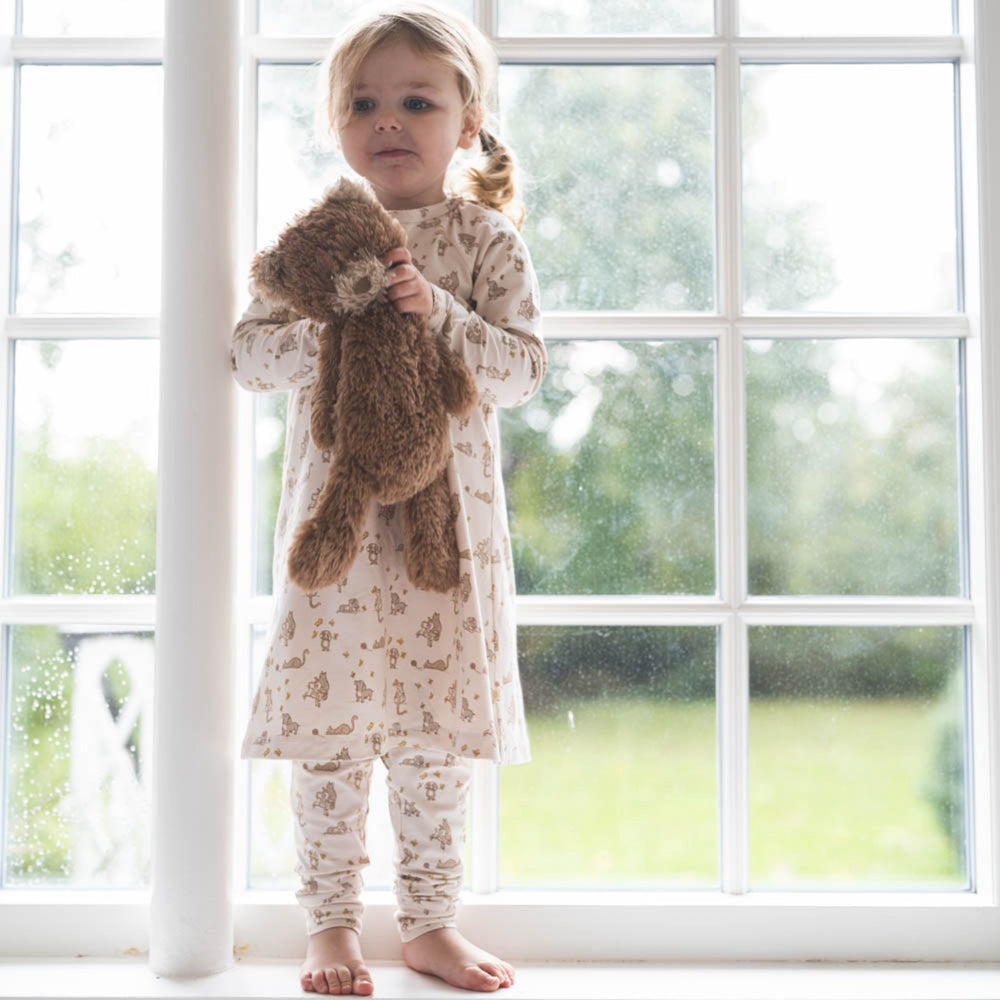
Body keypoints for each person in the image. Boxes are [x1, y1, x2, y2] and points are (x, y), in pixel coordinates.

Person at [230, 3, 546, 995]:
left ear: (467, 119)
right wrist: (328, 329)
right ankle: (328, 922)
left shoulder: (483, 240)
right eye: (364, 104)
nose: (389, 122)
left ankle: (429, 921)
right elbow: (247, 357)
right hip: (339, 526)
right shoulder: (319, 240)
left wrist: (440, 314)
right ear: (337, 122)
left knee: (432, 733)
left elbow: (522, 373)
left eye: (417, 102)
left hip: (446, 532)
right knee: (329, 730)